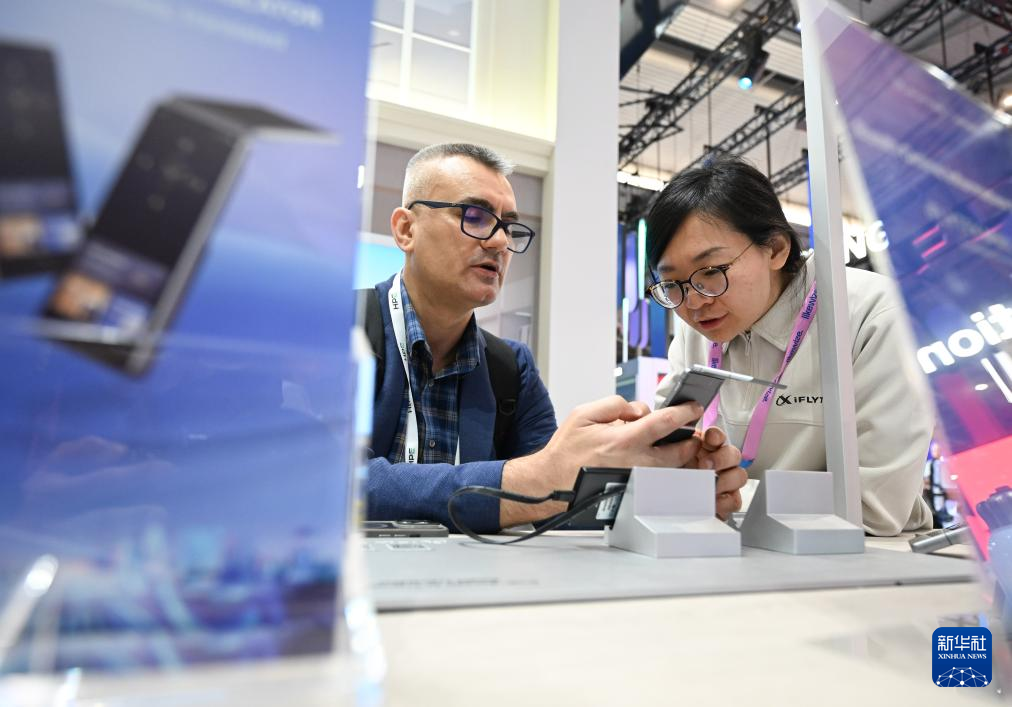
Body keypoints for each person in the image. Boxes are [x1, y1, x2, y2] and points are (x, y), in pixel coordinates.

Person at [365, 143, 747, 533]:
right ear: (406, 229)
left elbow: (557, 506)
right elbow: (333, 480)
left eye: (508, 226)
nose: (499, 242)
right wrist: (533, 479)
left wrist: (664, 492)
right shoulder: (339, 330)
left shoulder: (511, 368)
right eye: (475, 217)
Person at [646, 156, 933, 536]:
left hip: (866, 554)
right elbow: (662, 463)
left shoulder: (872, 313)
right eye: (673, 284)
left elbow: (873, 507)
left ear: (776, 249)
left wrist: (726, 496)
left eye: (712, 272)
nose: (695, 303)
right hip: (736, 545)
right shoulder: (696, 331)